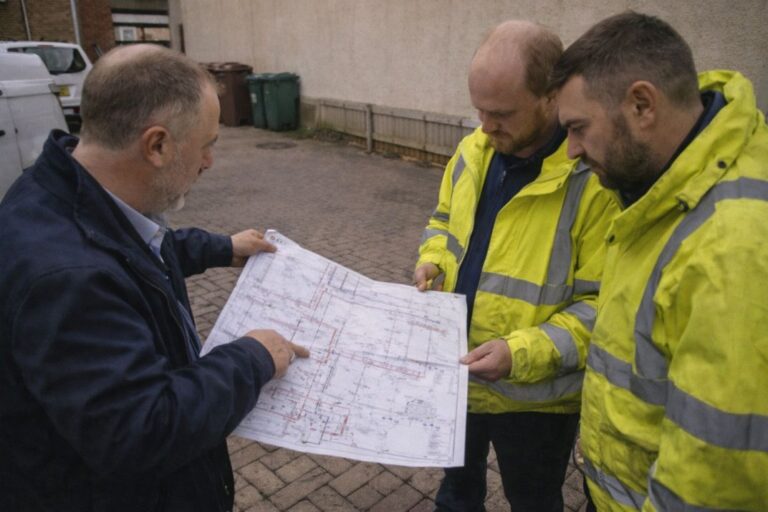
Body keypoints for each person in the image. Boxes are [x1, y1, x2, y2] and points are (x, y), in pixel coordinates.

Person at [0, 44, 308, 512]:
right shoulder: (68, 279)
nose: (209, 163)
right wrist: (252, 357)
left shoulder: (65, 191)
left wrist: (223, 247)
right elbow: (143, 429)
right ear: (158, 145)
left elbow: (138, 251)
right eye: (207, 144)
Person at [550, 11, 768, 511]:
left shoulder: (732, 252)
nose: (570, 151)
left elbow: (715, 484)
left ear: (642, 104)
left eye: (578, 127)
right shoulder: (658, 189)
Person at [413, 20, 619, 511]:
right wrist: (432, 260)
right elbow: (443, 221)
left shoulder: (595, 181)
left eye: (501, 112)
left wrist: (517, 353)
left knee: (534, 500)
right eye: (478, 109)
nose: (485, 126)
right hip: (457, 376)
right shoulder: (473, 149)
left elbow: (603, 309)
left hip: (534, 401)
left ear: (551, 97)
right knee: (457, 493)